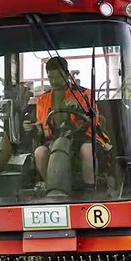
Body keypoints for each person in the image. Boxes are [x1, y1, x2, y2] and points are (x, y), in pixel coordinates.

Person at [33, 56, 108, 191]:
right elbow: (41, 125)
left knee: (86, 150)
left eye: (58, 77)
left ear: (67, 75)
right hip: (55, 139)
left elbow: (94, 119)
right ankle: (51, 189)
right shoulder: (42, 99)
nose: (54, 81)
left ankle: (90, 189)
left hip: (83, 137)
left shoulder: (84, 94)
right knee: (39, 152)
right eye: (51, 78)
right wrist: (32, 127)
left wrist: (79, 109)